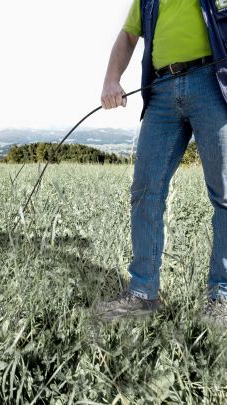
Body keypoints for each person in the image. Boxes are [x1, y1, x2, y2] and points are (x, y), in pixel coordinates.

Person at [96, 0, 227, 323]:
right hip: (162, 90)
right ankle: (143, 294)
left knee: (225, 194)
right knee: (145, 189)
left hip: (212, 81)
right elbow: (128, 35)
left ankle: (221, 297)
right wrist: (111, 80)